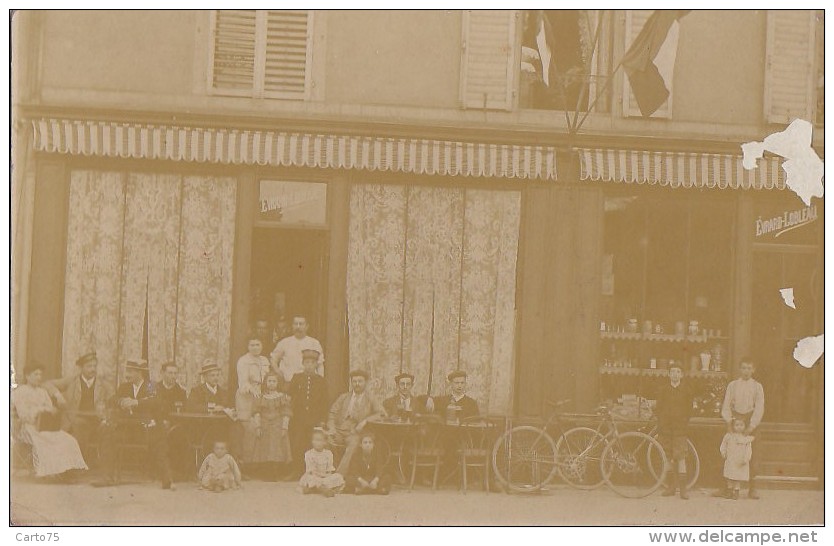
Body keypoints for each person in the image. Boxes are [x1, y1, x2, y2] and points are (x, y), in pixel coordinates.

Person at [97, 359, 173, 489]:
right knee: (108, 436)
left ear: (140, 373)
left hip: (146, 429)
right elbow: (112, 399)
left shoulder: (151, 386)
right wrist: (121, 401)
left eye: (130, 372)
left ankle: (166, 479)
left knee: (159, 439)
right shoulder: (124, 386)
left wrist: (136, 402)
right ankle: (107, 478)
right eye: (127, 371)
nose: (127, 374)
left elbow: (156, 401)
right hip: (127, 429)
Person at [11, 362, 88, 479]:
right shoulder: (19, 392)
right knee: (46, 440)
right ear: (27, 376)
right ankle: (51, 472)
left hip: (45, 426)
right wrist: (40, 410)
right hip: (28, 427)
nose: (39, 377)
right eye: (35, 374)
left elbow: (50, 407)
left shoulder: (43, 392)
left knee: (68, 439)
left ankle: (66, 470)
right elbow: (23, 415)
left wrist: (52, 410)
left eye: (40, 374)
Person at [45, 351, 113, 462]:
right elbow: (47, 384)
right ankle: (77, 464)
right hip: (76, 418)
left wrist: (106, 414)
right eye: (89, 366)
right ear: (81, 368)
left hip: (97, 419)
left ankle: (105, 468)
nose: (92, 369)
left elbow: (112, 399)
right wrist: (57, 395)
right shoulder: (72, 381)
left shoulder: (103, 383)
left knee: (108, 430)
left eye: (94, 366)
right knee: (80, 426)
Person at [719, 357, 764, 499]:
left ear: (753, 370)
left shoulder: (757, 386)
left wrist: (751, 426)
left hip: (750, 420)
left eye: (749, 368)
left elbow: (759, 407)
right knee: (729, 452)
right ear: (740, 369)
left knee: (752, 453)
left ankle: (753, 487)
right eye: (744, 368)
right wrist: (729, 422)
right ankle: (725, 487)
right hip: (735, 420)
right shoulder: (733, 385)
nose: (746, 371)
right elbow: (726, 404)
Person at [327, 369, 384, 475]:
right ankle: (325, 474)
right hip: (339, 430)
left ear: (365, 383)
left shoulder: (370, 398)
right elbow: (332, 413)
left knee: (353, 445)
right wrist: (332, 428)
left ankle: (339, 477)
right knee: (324, 440)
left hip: (355, 433)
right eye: (354, 381)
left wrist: (365, 421)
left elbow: (382, 414)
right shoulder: (343, 397)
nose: (357, 384)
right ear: (351, 382)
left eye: (360, 381)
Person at [287, 348, 329, 479]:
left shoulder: (321, 381)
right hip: (298, 418)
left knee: (312, 444)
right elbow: (289, 396)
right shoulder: (297, 378)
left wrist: (322, 420)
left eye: (312, 362)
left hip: (314, 418)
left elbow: (325, 402)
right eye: (307, 362)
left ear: (316, 364)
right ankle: (296, 471)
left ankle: (311, 471)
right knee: (297, 443)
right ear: (303, 364)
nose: (309, 365)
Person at [654, 362, 693, 499]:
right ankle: (671, 487)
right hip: (666, 429)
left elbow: (689, 410)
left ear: (681, 375)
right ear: (669, 374)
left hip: (680, 429)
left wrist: (683, 422)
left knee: (680, 457)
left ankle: (683, 490)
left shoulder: (686, 390)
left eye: (678, 371)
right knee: (668, 457)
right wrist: (662, 423)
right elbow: (659, 409)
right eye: (672, 371)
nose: (675, 374)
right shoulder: (663, 390)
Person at [247, 372, 293, 480]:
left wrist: (284, 427)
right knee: (264, 447)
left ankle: (276, 471)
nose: (271, 384)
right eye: (269, 381)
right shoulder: (261, 396)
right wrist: (258, 426)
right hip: (264, 425)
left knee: (277, 448)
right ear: (266, 382)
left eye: (274, 381)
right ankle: (266, 471)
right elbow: (257, 412)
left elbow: (286, 412)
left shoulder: (282, 397)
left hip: (278, 424)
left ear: (278, 383)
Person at [270, 315, 324, 382]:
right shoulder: (284, 342)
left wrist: (320, 381)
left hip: (308, 383)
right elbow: (273, 360)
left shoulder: (314, 343)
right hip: (288, 383)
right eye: (295, 324)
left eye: (301, 324)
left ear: (307, 326)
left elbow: (320, 365)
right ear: (292, 326)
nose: (298, 327)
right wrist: (279, 373)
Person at [299, 428, 344, 497]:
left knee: (338, 477)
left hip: (325, 477)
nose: (317, 442)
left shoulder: (328, 453)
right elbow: (311, 471)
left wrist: (325, 476)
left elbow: (329, 470)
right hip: (314, 476)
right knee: (310, 478)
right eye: (315, 440)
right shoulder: (308, 454)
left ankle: (315, 488)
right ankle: (323, 489)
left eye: (319, 440)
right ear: (312, 441)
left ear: (325, 442)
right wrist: (320, 476)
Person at [719, 418, 754, 500]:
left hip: (740, 460)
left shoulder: (746, 438)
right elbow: (723, 445)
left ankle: (736, 491)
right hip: (731, 459)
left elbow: (748, 449)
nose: (739, 427)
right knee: (729, 475)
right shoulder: (729, 436)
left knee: (737, 477)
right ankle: (729, 491)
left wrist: (746, 458)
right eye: (737, 425)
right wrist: (723, 452)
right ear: (733, 426)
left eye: (741, 425)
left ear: (745, 426)